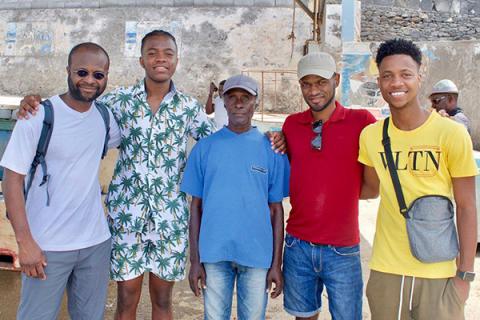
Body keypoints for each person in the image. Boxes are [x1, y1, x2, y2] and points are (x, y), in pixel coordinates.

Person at [17, 30, 286, 319]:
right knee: (126, 299)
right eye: (153, 53)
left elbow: (224, 139)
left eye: (168, 53)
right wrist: (34, 103)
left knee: (162, 301)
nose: (160, 59)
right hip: (126, 219)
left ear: (176, 60)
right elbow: (78, 108)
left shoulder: (188, 108)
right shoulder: (118, 102)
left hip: (169, 221)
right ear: (141, 60)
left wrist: (275, 137)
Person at [1, 42, 120, 320]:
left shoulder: (105, 118)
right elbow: (11, 181)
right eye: (82, 71)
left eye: (98, 75)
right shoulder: (37, 116)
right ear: (68, 70)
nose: (89, 80)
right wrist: (25, 242)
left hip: (95, 243)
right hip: (46, 246)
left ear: (106, 77)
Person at [359, 38, 477, 320]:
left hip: (438, 271)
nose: (396, 83)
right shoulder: (371, 136)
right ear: (379, 82)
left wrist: (465, 274)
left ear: (419, 78)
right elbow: (369, 190)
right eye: (387, 76)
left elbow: (467, 207)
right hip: (387, 269)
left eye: (405, 74)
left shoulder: (451, 134)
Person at [181, 74, 289, 320]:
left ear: (255, 103)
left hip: (257, 255)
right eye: (232, 97)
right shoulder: (205, 148)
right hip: (214, 253)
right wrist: (195, 261)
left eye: (246, 98)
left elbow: (276, 210)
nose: (239, 103)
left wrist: (276, 264)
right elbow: (195, 207)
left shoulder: (271, 148)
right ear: (223, 102)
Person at [281, 51, 376, 319]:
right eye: (306, 83)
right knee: (304, 316)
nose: (313, 90)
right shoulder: (291, 125)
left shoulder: (362, 123)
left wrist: (340, 194)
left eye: (321, 82)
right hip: (297, 245)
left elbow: (372, 187)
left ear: (335, 79)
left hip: (342, 249)